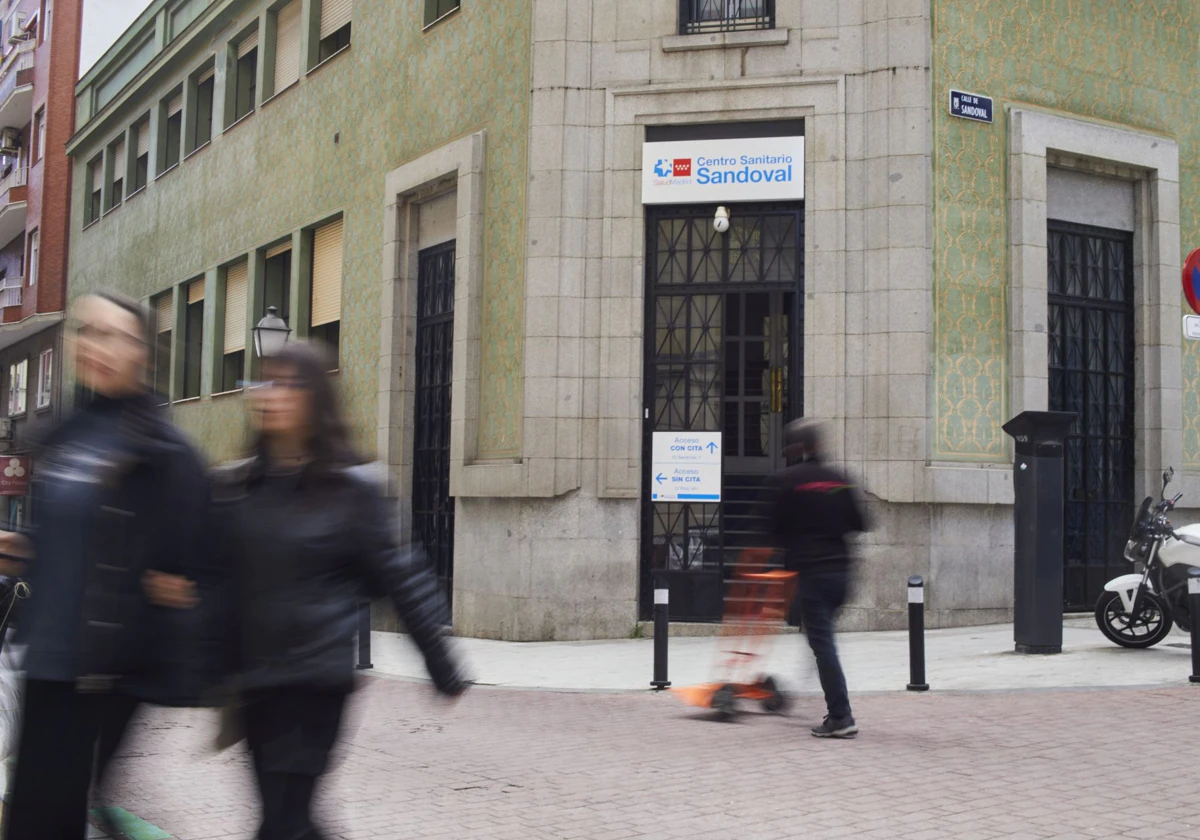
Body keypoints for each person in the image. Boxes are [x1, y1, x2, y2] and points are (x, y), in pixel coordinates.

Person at [213, 341, 467, 840]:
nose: (271, 395)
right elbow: (218, 577)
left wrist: (441, 663)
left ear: (315, 399)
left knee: (284, 820)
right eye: (264, 382)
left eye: (287, 384)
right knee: (284, 817)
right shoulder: (242, 485)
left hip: (314, 682)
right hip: (254, 682)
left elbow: (402, 575)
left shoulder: (353, 487)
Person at [0, 293, 215, 840]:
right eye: (87, 332)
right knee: (35, 815)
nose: (96, 346)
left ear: (142, 351)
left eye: (111, 335)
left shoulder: (163, 450)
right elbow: (55, 541)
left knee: (59, 814)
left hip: (103, 672)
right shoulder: (66, 433)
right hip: (44, 660)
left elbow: (188, 565)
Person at [769, 418, 867, 739]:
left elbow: (772, 530)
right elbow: (860, 523)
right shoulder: (841, 480)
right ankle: (826, 691)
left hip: (812, 574)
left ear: (794, 448)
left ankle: (841, 716)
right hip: (841, 575)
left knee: (823, 645)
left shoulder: (788, 482)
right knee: (821, 639)